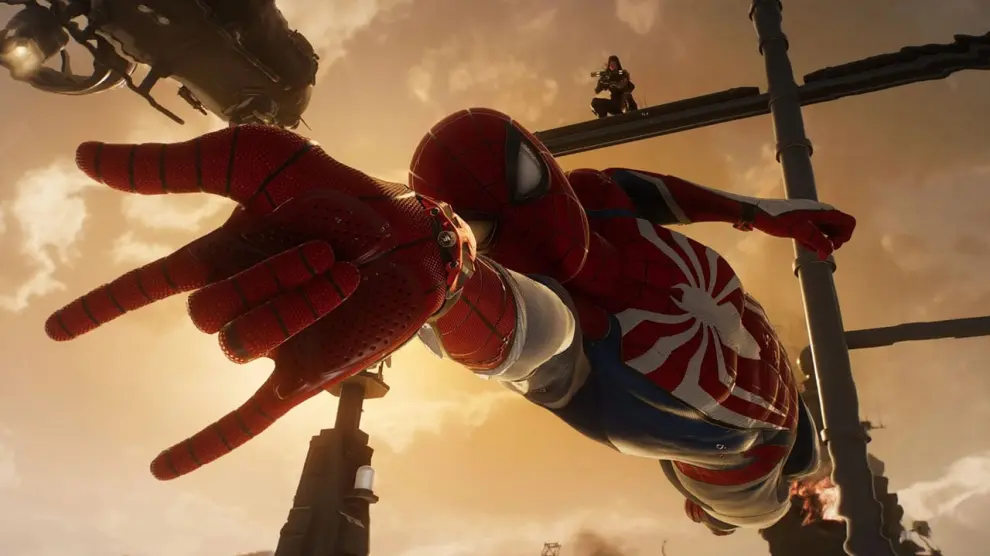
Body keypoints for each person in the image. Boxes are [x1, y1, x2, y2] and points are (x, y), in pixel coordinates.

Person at [44, 110, 856, 536]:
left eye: (522, 177)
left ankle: (752, 497)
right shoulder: (562, 322)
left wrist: (763, 212)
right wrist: (442, 272)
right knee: (771, 499)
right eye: (481, 219)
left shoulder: (598, 197)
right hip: (740, 459)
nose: (520, 214)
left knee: (807, 457)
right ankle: (730, 510)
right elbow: (524, 339)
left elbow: (652, 193)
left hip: (767, 396)